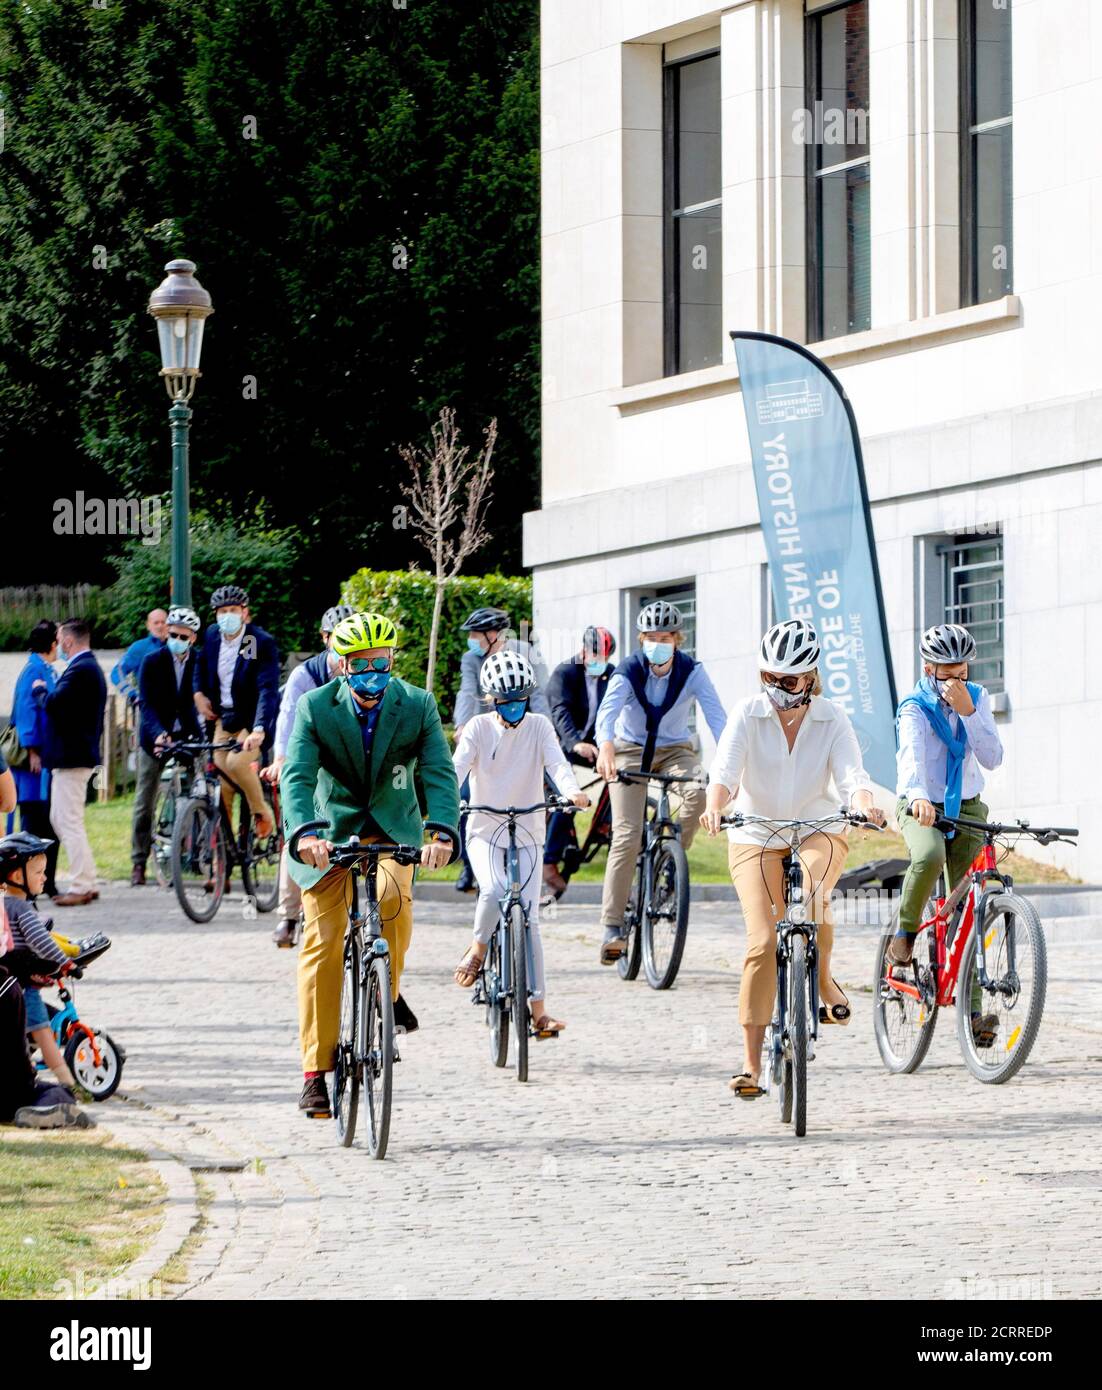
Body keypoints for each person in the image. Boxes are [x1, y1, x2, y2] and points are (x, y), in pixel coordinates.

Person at [281, 611, 459, 1119]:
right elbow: (296, 776)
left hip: (393, 828)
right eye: (359, 664)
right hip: (329, 833)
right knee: (323, 938)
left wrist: (441, 830)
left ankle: (388, 991)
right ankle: (316, 1072)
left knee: (393, 901)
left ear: (392, 661)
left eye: (380, 663)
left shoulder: (418, 704)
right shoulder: (314, 707)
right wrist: (305, 834)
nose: (371, 674)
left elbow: (440, 773)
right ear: (341, 664)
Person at [701, 619, 886, 1098]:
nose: (776, 688)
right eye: (768, 677)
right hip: (755, 833)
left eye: (787, 680)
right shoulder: (747, 713)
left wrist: (864, 803)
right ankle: (750, 1064)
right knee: (762, 942)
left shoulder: (832, 718)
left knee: (813, 894)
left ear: (810, 678)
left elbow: (851, 775)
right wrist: (715, 806)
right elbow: (725, 770)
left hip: (818, 828)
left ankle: (823, 979)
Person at [452, 651, 589, 1035]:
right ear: (492, 700)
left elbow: (558, 765)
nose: (514, 708)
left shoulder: (540, 726)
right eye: (506, 701)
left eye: (520, 700)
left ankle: (539, 1011)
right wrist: (447, 798)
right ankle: (478, 949)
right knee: (494, 890)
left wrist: (572, 791)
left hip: (528, 829)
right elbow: (455, 769)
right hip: (483, 828)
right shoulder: (478, 728)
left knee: (529, 919)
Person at [595, 600, 727, 964]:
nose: (657, 642)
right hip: (628, 751)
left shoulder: (692, 671)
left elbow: (718, 718)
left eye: (665, 637)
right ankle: (612, 926)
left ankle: (668, 863)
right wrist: (605, 745)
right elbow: (607, 715)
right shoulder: (627, 671)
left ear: (677, 639)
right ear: (641, 639)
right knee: (625, 832)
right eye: (651, 637)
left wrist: (731, 763)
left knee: (698, 793)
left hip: (675, 750)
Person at [889, 624, 1003, 1000]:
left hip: (967, 804)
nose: (956, 680)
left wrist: (970, 713)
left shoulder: (977, 698)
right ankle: (905, 932)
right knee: (929, 854)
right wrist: (919, 796)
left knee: (974, 903)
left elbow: (993, 758)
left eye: (963, 671)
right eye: (948, 673)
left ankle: (973, 1011)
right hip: (921, 803)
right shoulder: (914, 707)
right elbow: (911, 759)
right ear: (929, 670)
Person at [264, 604, 353, 947]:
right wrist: (280, 760)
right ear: (325, 638)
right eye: (336, 636)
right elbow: (287, 723)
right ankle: (288, 916)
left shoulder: (363, 670)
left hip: (348, 770)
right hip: (310, 765)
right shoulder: (306, 676)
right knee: (298, 833)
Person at [452, 606, 550, 894]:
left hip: (523, 730)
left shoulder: (526, 652)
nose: (471, 639)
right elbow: (467, 691)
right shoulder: (472, 659)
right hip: (486, 729)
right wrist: (462, 726)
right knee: (467, 797)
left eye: (475, 633)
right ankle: (471, 867)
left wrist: (546, 732)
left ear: (494, 635)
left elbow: (539, 694)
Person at [192, 584, 281, 840]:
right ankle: (223, 853)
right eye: (221, 611)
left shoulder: (257, 641)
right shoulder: (211, 636)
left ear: (244, 612)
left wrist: (259, 729)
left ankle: (261, 813)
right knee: (222, 783)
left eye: (232, 610)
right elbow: (199, 666)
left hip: (251, 720)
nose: (226, 616)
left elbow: (267, 688)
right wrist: (198, 694)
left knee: (237, 762)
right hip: (224, 718)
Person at [33, 618, 107, 907]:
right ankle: (86, 878)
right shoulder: (86, 667)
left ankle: (82, 884)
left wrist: (40, 689)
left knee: (67, 821)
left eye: (61, 638)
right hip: (76, 755)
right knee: (65, 819)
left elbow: (55, 704)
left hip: (72, 757)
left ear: (67, 641)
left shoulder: (81, 669)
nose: (59, 644)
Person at [542, 625, 616, 897]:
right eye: (596, 655)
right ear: (584, 651)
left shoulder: (611, 675)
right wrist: (575, 742)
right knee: (569, 798)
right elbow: (559, 712)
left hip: (594, 749)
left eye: (605, 658)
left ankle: (607, 823)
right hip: (561, 746)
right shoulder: (565, 672)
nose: (600, 662)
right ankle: (548, 862)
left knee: (620, 778)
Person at [131, 607, 203, 885]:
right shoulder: (152, 661)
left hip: (187, 733)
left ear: (192, 638)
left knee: (197, 790)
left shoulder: (199, 661)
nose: (176, 639)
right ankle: (138, 860)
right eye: (171, 634)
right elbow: (145, 704)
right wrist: (159, 733)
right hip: (155, 736)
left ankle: (193, 855)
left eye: (182, 636)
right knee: (144, 800)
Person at [0, 832, 76, 1089]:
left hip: (8, 980)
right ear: (18, 876)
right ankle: (66, 1081)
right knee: (43, 1030)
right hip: (23, 985)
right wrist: (65, 962)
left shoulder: (3, 903)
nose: (44, 877)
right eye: (39, 872)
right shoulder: (22, 908)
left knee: (19, 1031)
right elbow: (41, 941)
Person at [10, 621, 61, 898]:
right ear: (53, 643)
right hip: (35, 764)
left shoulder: (40, 668)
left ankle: (42, 882)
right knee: (35, 823)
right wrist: (32, 750)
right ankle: (30, 885)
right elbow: (27, 712)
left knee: (44, 822)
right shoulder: (35, 670)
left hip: (43, 759)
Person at [110, 609, 168, 706]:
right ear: (148, 625)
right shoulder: (139, 648)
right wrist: (132, 694)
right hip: (149, 711)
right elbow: (117, 672)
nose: (160, 626)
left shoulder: (176, 645)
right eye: (156, 623)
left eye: (163, 622)